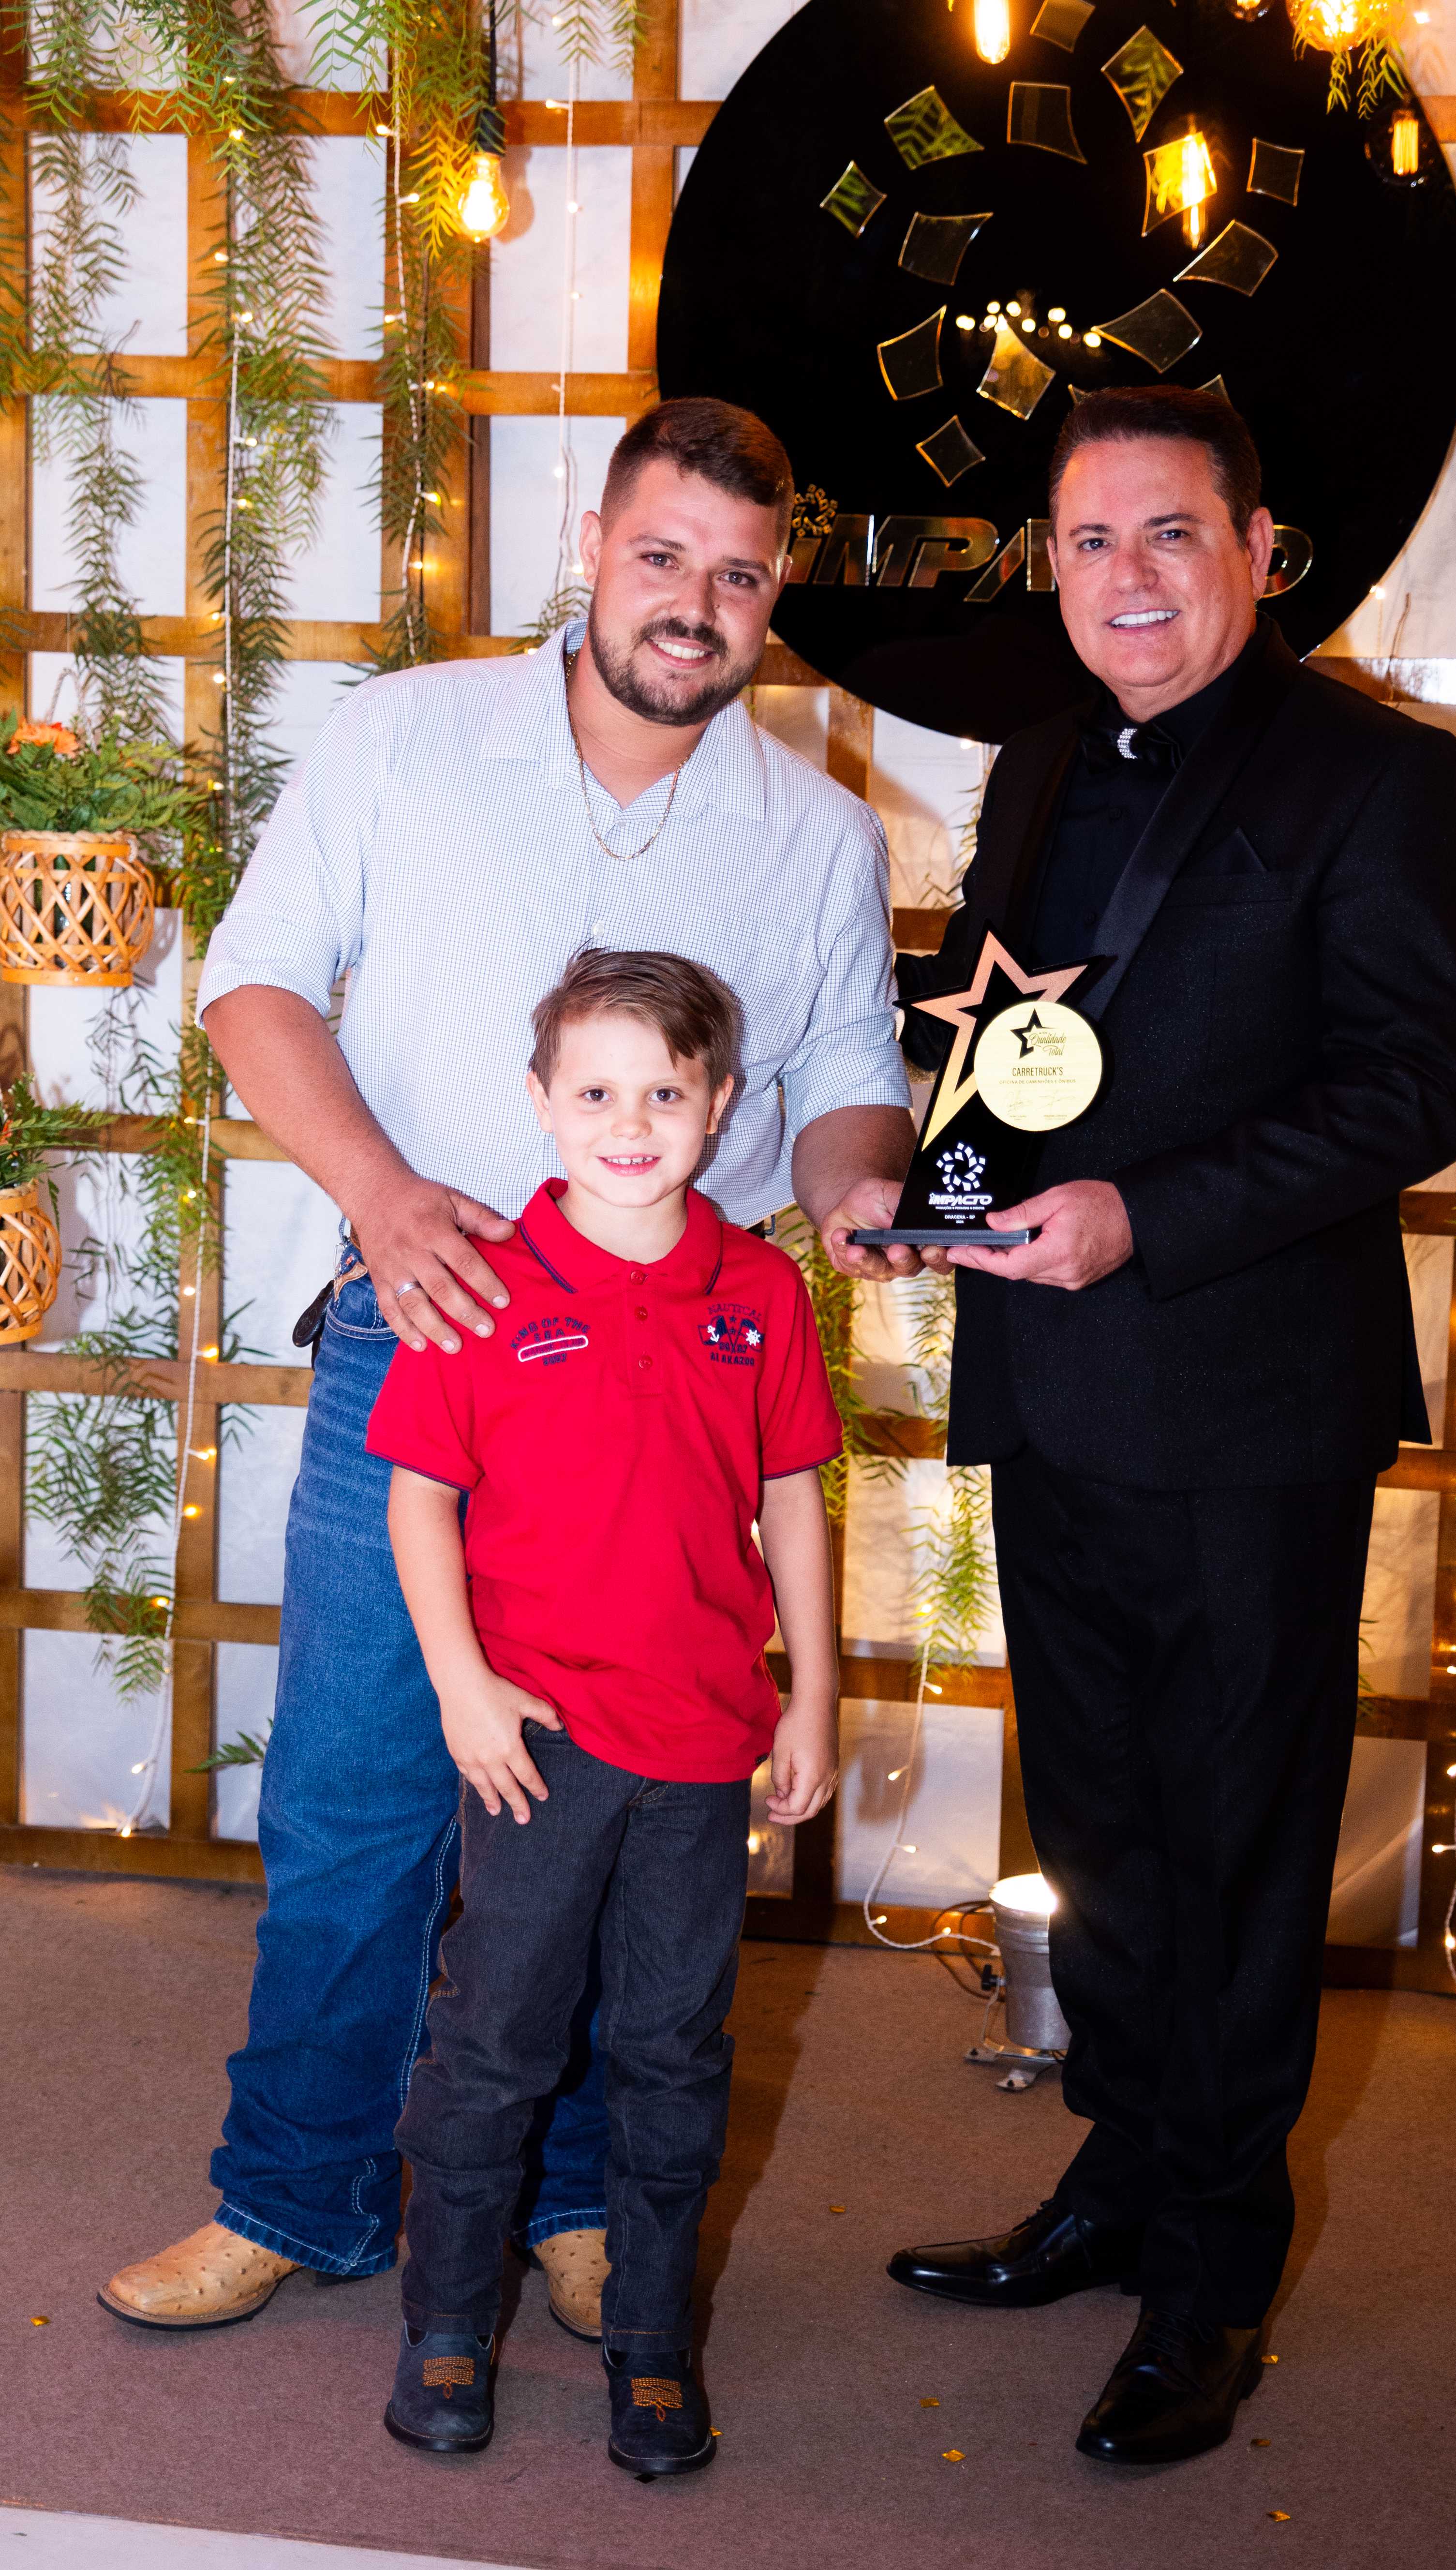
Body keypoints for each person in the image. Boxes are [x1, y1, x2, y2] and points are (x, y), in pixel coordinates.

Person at [100, 397, 917, 2338]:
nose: (693, 602)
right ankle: (293, 2191)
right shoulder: (405, 734)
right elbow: (250, 983)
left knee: (620, 1822)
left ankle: (569, 2202)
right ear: (592, 545)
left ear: (774, 595)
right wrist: (382, 1194)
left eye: (737, 575)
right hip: (432, 1333)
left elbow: (844, 1083)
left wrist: (860, 1194)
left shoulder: (816, 832)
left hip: (663, 1393)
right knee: (356, 1797)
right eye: (661, 556)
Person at [851, 388, 1456, 2467]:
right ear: (1046, 563)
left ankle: (1214, 2272)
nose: (1122, 576)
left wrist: (1146, 1213)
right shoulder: (1039, 756)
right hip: (1048, 1388)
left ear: (1255, 548)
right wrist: (911, 1188)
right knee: (1100, 1829)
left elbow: (1407, 1091)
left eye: (1166, 533)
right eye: (1085, 538)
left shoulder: (1384, 774)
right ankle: (1119, 2181)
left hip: (1244, 1407)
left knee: (1230, 1844)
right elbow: (1007, 1038)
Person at [371, 948, 840, 2478]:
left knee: (672, 2051)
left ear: (720, 1104)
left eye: (663, 1093)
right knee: (492, 2043)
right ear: (539, 1101)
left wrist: (813, 1694)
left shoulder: (761, 1289)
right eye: (593, 1093)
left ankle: (650, 2338)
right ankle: (448, 2325)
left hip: (703, 1747)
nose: (628, 1124)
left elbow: (792, 1496)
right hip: (537, 1746)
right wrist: (462, 1689)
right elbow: (420, 1501)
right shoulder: (485, 1283)